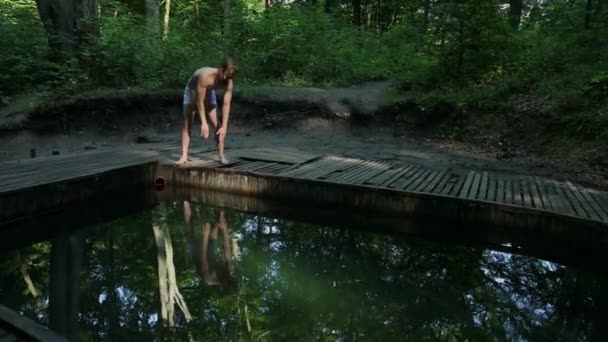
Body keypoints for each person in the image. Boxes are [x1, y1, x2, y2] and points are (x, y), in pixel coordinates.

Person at [176, 59, 239, 165]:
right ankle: (184, 155)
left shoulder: (228, 81)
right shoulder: (206, 76)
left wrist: (224, 127)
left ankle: (221, 156)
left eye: (228, 77)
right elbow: (199, 101)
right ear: (221, 69)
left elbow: (226, 104)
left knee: (218, 126)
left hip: (209, 92)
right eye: (225, 75)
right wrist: (204, 122)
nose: (225, 79)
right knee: (187, 123)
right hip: (192, 91)